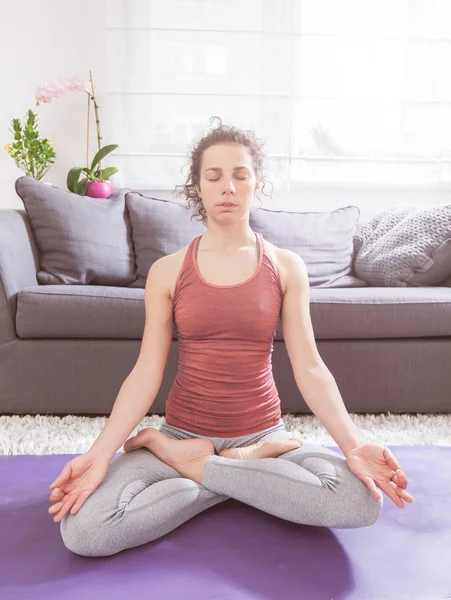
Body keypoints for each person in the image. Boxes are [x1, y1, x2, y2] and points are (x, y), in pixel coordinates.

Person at [48, 117, 413, 557]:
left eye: (241, 175)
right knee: (85, 530)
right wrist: (99, 454)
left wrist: (354, 444)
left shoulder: (286, 266)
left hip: (264, 439)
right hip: (181, 433)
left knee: (359, 502)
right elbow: (146, 371)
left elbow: (310, 367)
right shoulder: (168, 271)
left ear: (257, 184)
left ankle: (208, 467)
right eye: (214, 176)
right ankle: (225, 470)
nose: (228, 187)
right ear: (196, 187)